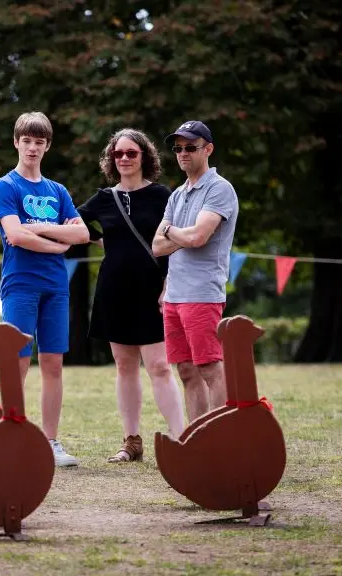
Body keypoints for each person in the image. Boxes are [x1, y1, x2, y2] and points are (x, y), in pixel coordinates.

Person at [76, 128, 186, 463]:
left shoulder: (162, 196)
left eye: (131, 153)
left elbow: (176, 243)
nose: (123, 158)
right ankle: (131, 441)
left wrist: (169, 284)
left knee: (160, 366)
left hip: (153, 288)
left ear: (144, 157)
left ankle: (181, 439)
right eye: (117, 154)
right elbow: (75, 220)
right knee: (125, 366)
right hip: (114, 289)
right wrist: (98, 239)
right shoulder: (104, 198)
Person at [0, 111, 90, 467]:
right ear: (17, 142)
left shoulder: (58, 190)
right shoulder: (6, 186)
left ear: (47, 146)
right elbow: (14, 235)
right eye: (27, 141)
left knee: (53, 364)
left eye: (40, 142)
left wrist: (39, 231)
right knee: (17, 363)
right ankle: (11, 434)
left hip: (56, 287)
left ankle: (50, 441)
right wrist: (56, 241)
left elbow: (83, 234)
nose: (32, 147)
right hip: (20, 284)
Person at [152, 120, 239, 422]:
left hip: (202, 293)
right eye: (178, 148)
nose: (183, 153)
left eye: (191, 147)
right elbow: (156, 246)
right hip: (174, 295)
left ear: (208, 149)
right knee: (187, 371)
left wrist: (171, 230)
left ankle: (222, 437)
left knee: (209, 367)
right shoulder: (177, 194)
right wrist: (180, 235)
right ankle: (198, 436)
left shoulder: (219, 189)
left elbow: (197, 237)